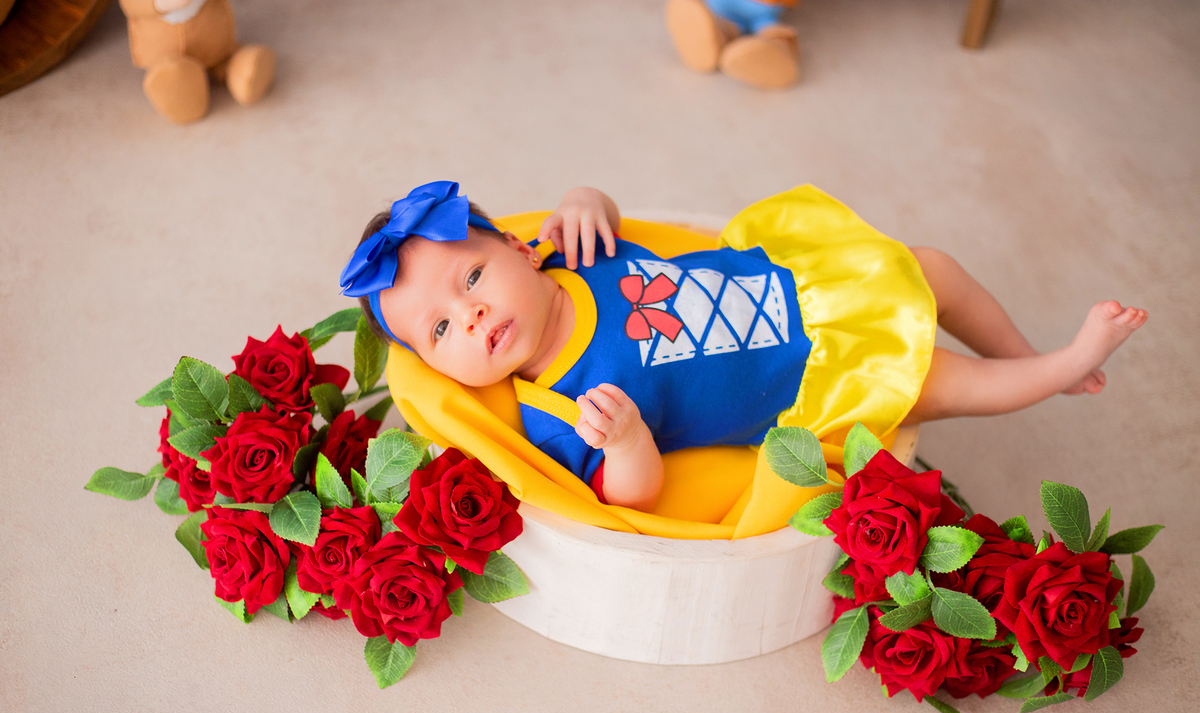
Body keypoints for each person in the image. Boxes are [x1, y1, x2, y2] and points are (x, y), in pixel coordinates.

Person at [339, 182, 1147, 513]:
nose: (471, 315)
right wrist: (626, 442)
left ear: (518, 250)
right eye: (439, 331)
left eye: (472, 276)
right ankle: (1058, 369)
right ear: (436, 366)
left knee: (931, 267)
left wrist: (586, 199)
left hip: (798, 286)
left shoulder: (567, 254)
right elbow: (630, 497)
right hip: (806, 376)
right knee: (941, 383)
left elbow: (604, 211)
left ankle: (1018, 347)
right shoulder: (557, 408)